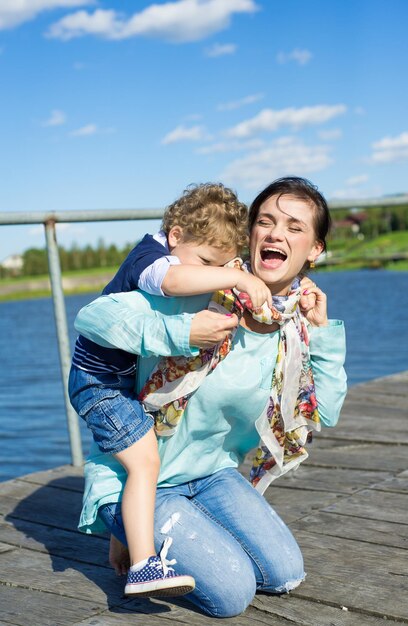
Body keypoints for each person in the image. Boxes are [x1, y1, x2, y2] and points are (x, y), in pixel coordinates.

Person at [74, 176, 347, 617]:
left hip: (213, 475)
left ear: (315, 249)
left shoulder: (294, 324)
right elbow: (93, 318)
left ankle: (170, 532)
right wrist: (182, 331)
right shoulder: (198, 286)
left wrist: (322, 333)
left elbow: (326, 413)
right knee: (232, 594)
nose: (277, 233)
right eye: (266, 222)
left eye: (295, 227)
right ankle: (128, 525)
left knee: (284, 573)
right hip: (145, 480)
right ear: (251, 235)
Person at [68, 183, 272, 597]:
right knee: (144, 463)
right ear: (175, 236)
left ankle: (127, 537)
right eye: (205, 263)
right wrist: (236, 276)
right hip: (99, 383)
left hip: (117, 384)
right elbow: (174, 278)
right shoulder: (149, 258)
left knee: (142, 461)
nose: (208, 276)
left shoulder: (172, 253)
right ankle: (144, 565)